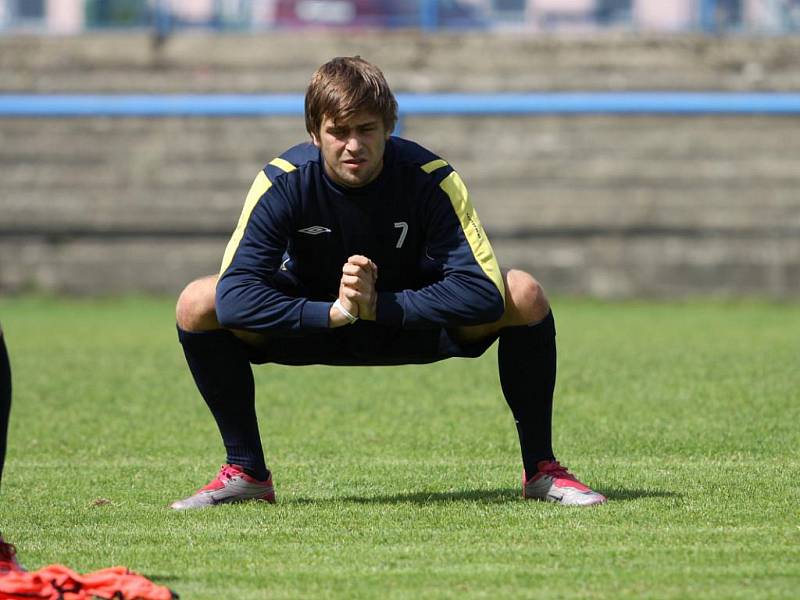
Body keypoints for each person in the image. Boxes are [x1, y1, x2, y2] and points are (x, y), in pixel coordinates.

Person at [171, 56, 605, 510]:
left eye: (367, 129)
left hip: (411, 322)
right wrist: (334, 312)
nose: (353, 145)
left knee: (523, 294)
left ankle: (541, 470)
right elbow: (236, 298)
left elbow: (483, 291)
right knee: (198, 301)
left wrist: (378, 306)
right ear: (315, 134)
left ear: (389, 128)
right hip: (314, 327)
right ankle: (246, 473)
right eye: (339, 132)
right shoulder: (282, 182)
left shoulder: (430, 178)